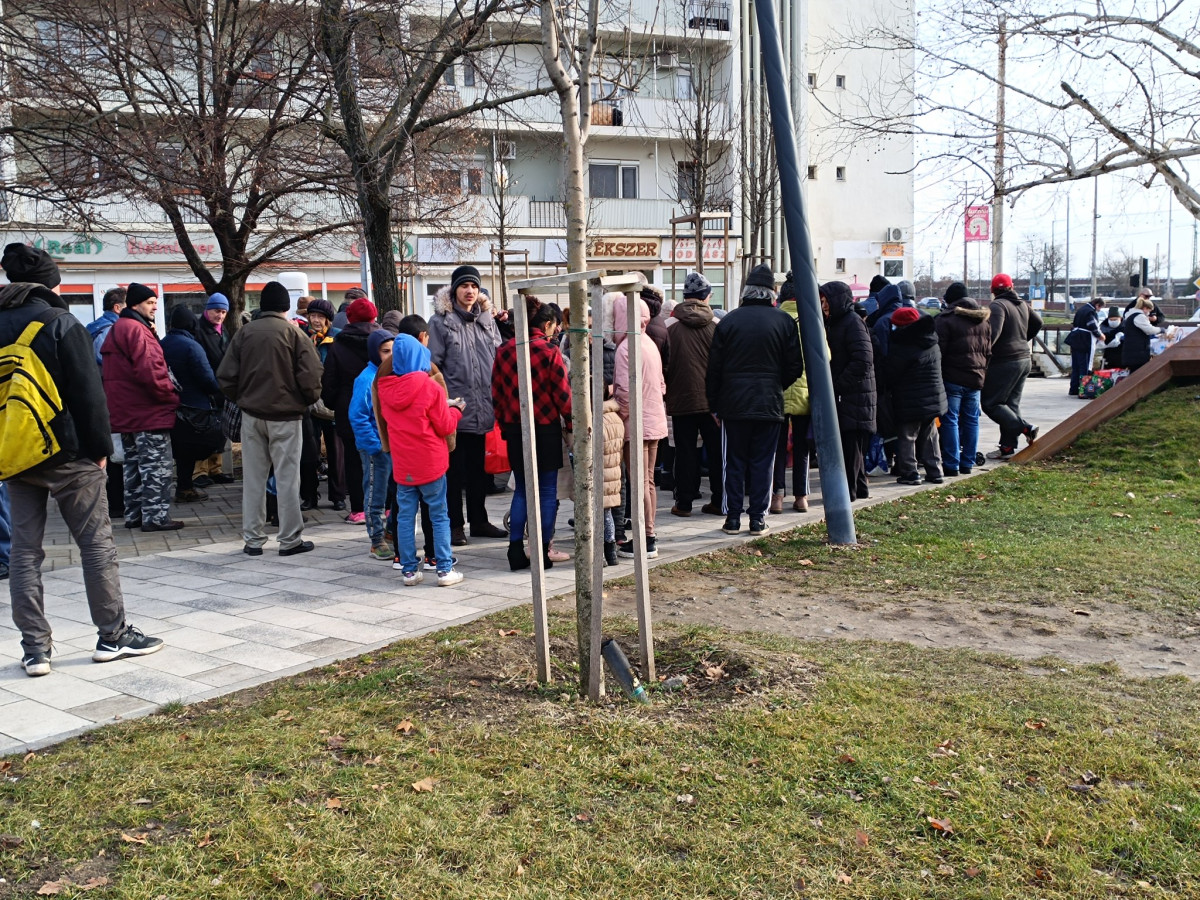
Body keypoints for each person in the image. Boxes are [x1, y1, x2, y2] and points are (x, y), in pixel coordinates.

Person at [0, 243, 163, 676]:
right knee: (95, 544)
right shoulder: (60, 322)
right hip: (70, 453)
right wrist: (100, 450)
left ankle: (35, 650)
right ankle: (112, 635)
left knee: (24, 552)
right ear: (50, 284)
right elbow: (89, 394)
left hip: (16, 454)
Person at [218, 281, 323, 556]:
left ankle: (253, 540)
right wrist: (304, 400)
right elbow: (311, 376)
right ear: (286, 306)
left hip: (252, 415)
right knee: (288, 479)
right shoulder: (294, 333)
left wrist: (244, 398)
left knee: (254, 479)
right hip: (287, 416)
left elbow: (226, 376)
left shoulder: (244, 333)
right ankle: (289, 539)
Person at [707, 264, 804, 537]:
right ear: (772, 292)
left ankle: (733, 518)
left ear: (746, 291)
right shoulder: (784, 322)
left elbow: (713, 369)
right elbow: (795, 366)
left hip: (733, 404)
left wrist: (714, 404)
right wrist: (775, 385)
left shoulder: (728, 321)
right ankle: (758, 519)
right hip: (769, 403)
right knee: (763, 462)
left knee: (733, 461)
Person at [491, 296, 573, 571]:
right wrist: (571, 425)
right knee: (547, 491)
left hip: (515, 429)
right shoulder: (550, 352)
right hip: (545, 428)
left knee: (523, 490)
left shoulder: (504, 350)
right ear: (546, 325)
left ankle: (515, 549)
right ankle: (542, 550)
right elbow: (563, 396)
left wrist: (505, 425)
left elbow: (496, 394)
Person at [376, 334, 464, 587]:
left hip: (403, 464)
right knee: (439, 515)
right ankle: (444, 569)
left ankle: (408, 571)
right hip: (431, 462)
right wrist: (455, 411)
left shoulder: (385, 389)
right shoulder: (430, 387)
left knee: (405, 517)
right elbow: (444, 425)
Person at [428, 264, 506, 546]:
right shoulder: (440, 322)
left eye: (474, 285)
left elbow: (499, 357)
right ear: (454, 290)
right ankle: (455, 525)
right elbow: (433, 366)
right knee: (454, 472)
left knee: (478, 470)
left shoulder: (487, 320)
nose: (469, 291)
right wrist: (444, 403)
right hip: (454, 410)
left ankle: (479, 520)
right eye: (464, 286)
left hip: (483, 406)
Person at [100, 283, 184, 531]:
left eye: (155, 303)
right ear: (135, 304)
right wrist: (171, 397)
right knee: (156, 468)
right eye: (149, 303)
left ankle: (135, 515)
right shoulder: (137, 330)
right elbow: (152, 371)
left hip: (126, 413)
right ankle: (156, 518)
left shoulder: (119, 327)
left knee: (133, 468)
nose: (155, 307)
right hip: (148, 412)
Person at [614, 294, 668, 559]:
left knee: (638, 483)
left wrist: (619, 414)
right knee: (648, 481)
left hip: (636, 423)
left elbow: (624, 392)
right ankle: (650, 535)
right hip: (654, 418)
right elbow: (661, 385)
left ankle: (645, 540)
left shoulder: (626, 348)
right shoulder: (649, 343)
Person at [666, 272, 722, 517]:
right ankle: (719, 501)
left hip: (681, 398)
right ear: (706, 296)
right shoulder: (718, 325)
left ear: (685, 296)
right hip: (713, 402)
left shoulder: (669, 326)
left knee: (685, 451)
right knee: (717, 452)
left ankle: (684, 503)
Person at [322, 296, 379, 525]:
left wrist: (334, 404)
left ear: (349, 318)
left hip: (348, 408)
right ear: (374, 317)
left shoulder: (338, 345)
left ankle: (358, 509)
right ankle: (386, 507)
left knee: (353, 460)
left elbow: (329, 382)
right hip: (381, 407)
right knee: (383, 458)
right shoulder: (383, 341)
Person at [820, 281, 877, 500]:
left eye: (826, 301)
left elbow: (863, 360)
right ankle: (859, 489)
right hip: (851, 395)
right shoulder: (837, 322)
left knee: (851, 448)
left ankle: (847, 495)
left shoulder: (851, 322)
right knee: (852, 449)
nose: (824, 306)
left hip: (854, 396)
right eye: (821, 301)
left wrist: (837, 385)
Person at [160, 306, 222, 503]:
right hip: (194, 408)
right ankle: (185, 487)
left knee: (179, 449)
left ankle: (183, 486)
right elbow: (207, 379)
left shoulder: (162, 344)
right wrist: (217, 390)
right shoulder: (191, 346)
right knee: (193, 448)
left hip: (169, 406)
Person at [882, 307, 946, 485]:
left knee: (907, 436)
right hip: (933, 396)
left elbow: (891, 373)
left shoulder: (903, 345)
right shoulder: (932, 340)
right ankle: (935, 471)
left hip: (910, 399)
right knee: (930, 435)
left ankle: (910, 473)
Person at [982, 273, 1042, 460]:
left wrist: (984, 354)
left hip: (1005, 361)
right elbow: (1038, 322)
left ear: (993, 290)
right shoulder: (1022, 304)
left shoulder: (998, 306)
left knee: (991, 403)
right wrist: (1023, 339)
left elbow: (993, 334)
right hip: (1024, 359)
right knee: (1010, 404)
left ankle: (1025, 428)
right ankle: (1007, 448)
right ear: (1012, 287)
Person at [934, 282, 990, 476]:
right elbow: (988, 352)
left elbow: (939, 351)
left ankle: (952, 464)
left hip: (952, 377)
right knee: (972, 420)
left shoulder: (945, 320)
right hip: (976, 378)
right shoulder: (983, 320)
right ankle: (968, 462)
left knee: (950, 420)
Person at [350, 328, 396, 560]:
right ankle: (376, 539)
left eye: (394, 351)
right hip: (376, 449)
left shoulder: (393, 374)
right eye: (385, 351)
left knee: (398, 493)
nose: (391, 356)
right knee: (375, 495)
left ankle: (390, 531)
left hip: (394, 446)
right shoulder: (366, 379)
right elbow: (358, 416)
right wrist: (374, 447)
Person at [773, 274, 815, 512]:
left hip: (777, 392)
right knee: (802, 448)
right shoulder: (811, 321)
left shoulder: (774, 320)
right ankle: (801, 497)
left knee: (777, 448)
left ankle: (777, 497)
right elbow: (826, 355)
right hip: (804, 394)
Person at [302, 297, 344, 511]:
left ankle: (338, 495)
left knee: (336, 451)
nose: (316, 320)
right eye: (313, 316)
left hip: (332, 402)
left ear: (328, 319)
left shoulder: (338, 338)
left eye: (320, 316)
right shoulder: (302, 337)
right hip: (309, 402)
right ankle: (309, 495)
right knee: (309, 452)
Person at [192, 292, 234, 488]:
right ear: (208, 310)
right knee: (205, 430)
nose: (220, 315)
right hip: (206, 387)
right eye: (217, 311)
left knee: (219, 430)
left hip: (222, 386)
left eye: (224, 312)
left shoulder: (223, 330)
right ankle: (200, 471)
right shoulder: (199, 330)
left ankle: (215, 468)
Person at [1064, 298, 1105, 396]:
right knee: (1084, 366)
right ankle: (1083, 389)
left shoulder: (1081, 309)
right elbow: (1092, 326)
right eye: (1100, 308)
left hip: (1075, 338)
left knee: (1076, 366)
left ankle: (1073, 388)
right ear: (1097, 305)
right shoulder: (1090, 312)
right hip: (1084, 340)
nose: (1099, 310)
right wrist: (1100, 335)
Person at [1121, 294, 1164, 373]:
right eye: (1149, 311)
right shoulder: (1139, 317)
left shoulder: (1131, 315)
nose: (1149, 313)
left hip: (1131, 351)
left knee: (1133, 373)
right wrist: (1160, 330)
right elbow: (1149, 330)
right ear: (1145, 308)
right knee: (1139, 373)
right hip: (1138, 352)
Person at [86, 286, 125, 365]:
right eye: (129, 305)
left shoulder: (96, 325)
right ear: (117, 308)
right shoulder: (110, 330)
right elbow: (108, 361)